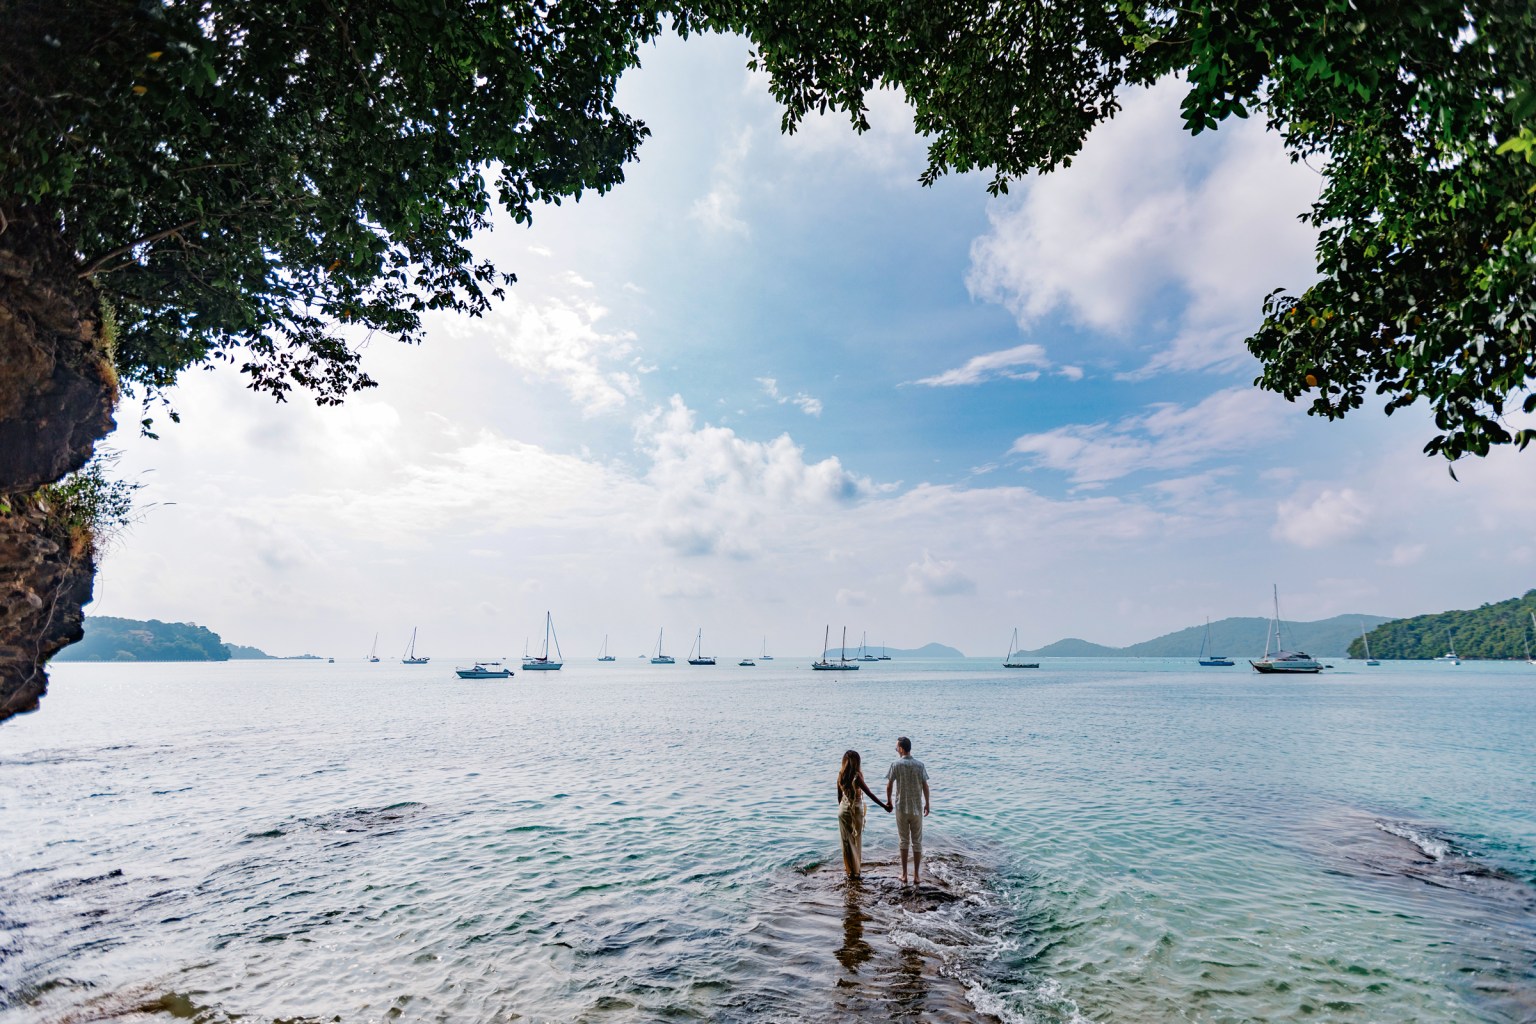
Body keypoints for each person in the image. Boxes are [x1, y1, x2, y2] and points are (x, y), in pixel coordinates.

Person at [836, 749, 891, 880]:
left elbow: (839, 797)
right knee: (856, 840)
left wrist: (843, 808)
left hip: (842, 811)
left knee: (846, 842)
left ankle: (849, 870)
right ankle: (856, 872)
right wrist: (884, 806)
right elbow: (870, 794)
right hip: (855, 811)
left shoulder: (840, 774)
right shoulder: (856, 776)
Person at [885, 736, 930, 884]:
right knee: (917, 842)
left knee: (903, 841)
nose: (896, 750)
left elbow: (889, 785)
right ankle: (916, 876)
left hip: (902, 808)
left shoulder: (896, 765)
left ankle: (904, 874)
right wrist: (927, 803)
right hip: (916, 808)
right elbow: (925, 786)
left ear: (902, 749)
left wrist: (889, 801)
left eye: (897, 747)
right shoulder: (920, 765)